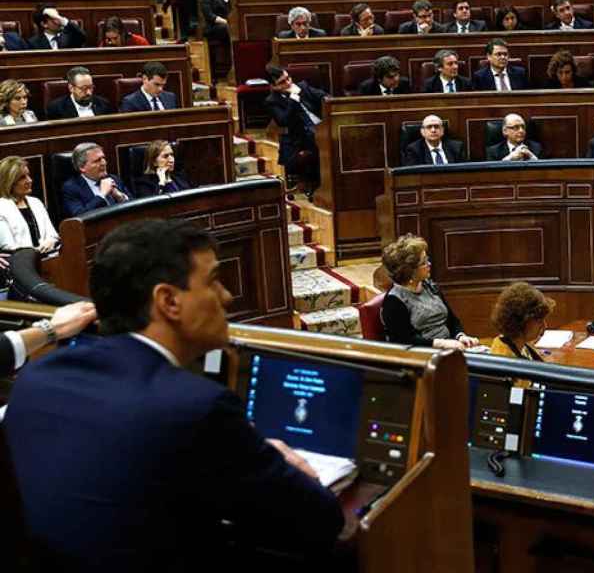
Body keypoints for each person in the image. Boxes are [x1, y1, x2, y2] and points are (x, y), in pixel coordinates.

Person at [4, 219, 345, 568]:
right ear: (168, 301)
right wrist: (291, 466)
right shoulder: (197, 407)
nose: (227, 296)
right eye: (213, 281)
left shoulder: (38, 379)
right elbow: (319, 520)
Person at [381, 233, 479, 349]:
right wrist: (441, 343)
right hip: (424, 355)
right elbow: (404, 340)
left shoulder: (429, 285)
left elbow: (452, 320)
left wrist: (460, 336)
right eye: (423, 262)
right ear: (409, 271)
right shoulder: (394, 301)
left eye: (427, 259)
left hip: (451, 347)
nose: (429, 264)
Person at [265, 64, 327, 196]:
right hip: (297, 140)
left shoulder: (303, 87)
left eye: (288, 78)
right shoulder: (272, 101)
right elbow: (284, 121)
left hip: (320, 128)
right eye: (282, 82)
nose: (288, 83)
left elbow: (324, 96)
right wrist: (293, 99)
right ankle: (321, 187)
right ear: (274, 87)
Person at [0, 155, 59, 254]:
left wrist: (50, 242)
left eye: (28, 175)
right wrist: (35, 251)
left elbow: (52, 234)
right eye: (22, 178)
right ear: (9, 182)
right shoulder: (2, 207)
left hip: (49, 256)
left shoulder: (36, 202)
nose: (30, 180)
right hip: (22, 263)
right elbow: (8, 246)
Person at [62, 142, 131, 217]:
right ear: (82, 167)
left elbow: (135, 208)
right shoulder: (71, 188)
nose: (104, 163)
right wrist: (102, 194)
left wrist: (120, 197)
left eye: (103, 158)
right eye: (97, 160)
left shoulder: (114, 179)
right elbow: (80, 217)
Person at [489, 282, 555, 360]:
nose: (545, 326)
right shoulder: (506, 358)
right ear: (522, 320)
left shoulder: (521, 346)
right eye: (539, 321)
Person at [46, 66, 115, 119]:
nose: (89, 93)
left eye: (91, 87)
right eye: (83, 88)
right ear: (71, 88)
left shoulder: (104, 104)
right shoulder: (57, 109)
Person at [401, 114, 466, 165]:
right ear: (422, 132)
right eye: (429, 127)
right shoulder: (414, 150)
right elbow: (412, 175)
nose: (433, 130)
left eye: (436, 126)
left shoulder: (456, 147)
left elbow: (464, 170)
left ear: (442, 130)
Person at [199, 0, 231, 80]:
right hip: (213, 27)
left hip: (228, 26)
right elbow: (209, 16)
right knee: (226, 29)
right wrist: (228, 22)